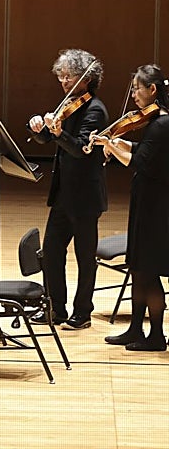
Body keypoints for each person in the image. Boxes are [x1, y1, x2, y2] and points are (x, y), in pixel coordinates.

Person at [27, 49, 107, 330]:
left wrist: (58, 132)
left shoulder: (95, 110)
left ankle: (82, 312)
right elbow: (46, 139)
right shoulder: (69, 103)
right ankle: (55, 308)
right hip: (63, 194)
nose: (63, 82)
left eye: (69, 76)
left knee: (85, 257)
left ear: (87, 79)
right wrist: (40, 129)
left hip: (85, 197)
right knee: (51, 252)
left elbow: (81, 150)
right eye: (61, 76)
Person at [97, 65, 169, 351]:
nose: (134, 94)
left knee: (148, 271)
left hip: (158, 209)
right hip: (146, 204)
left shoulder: (163, 124)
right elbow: (142, 150)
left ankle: (156, 337)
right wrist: (122, 142)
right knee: (138, 268)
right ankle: (136, 328)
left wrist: (110, 146)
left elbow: (139, 163)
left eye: (138, 88)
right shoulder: (155, 124)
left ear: (152, 90)